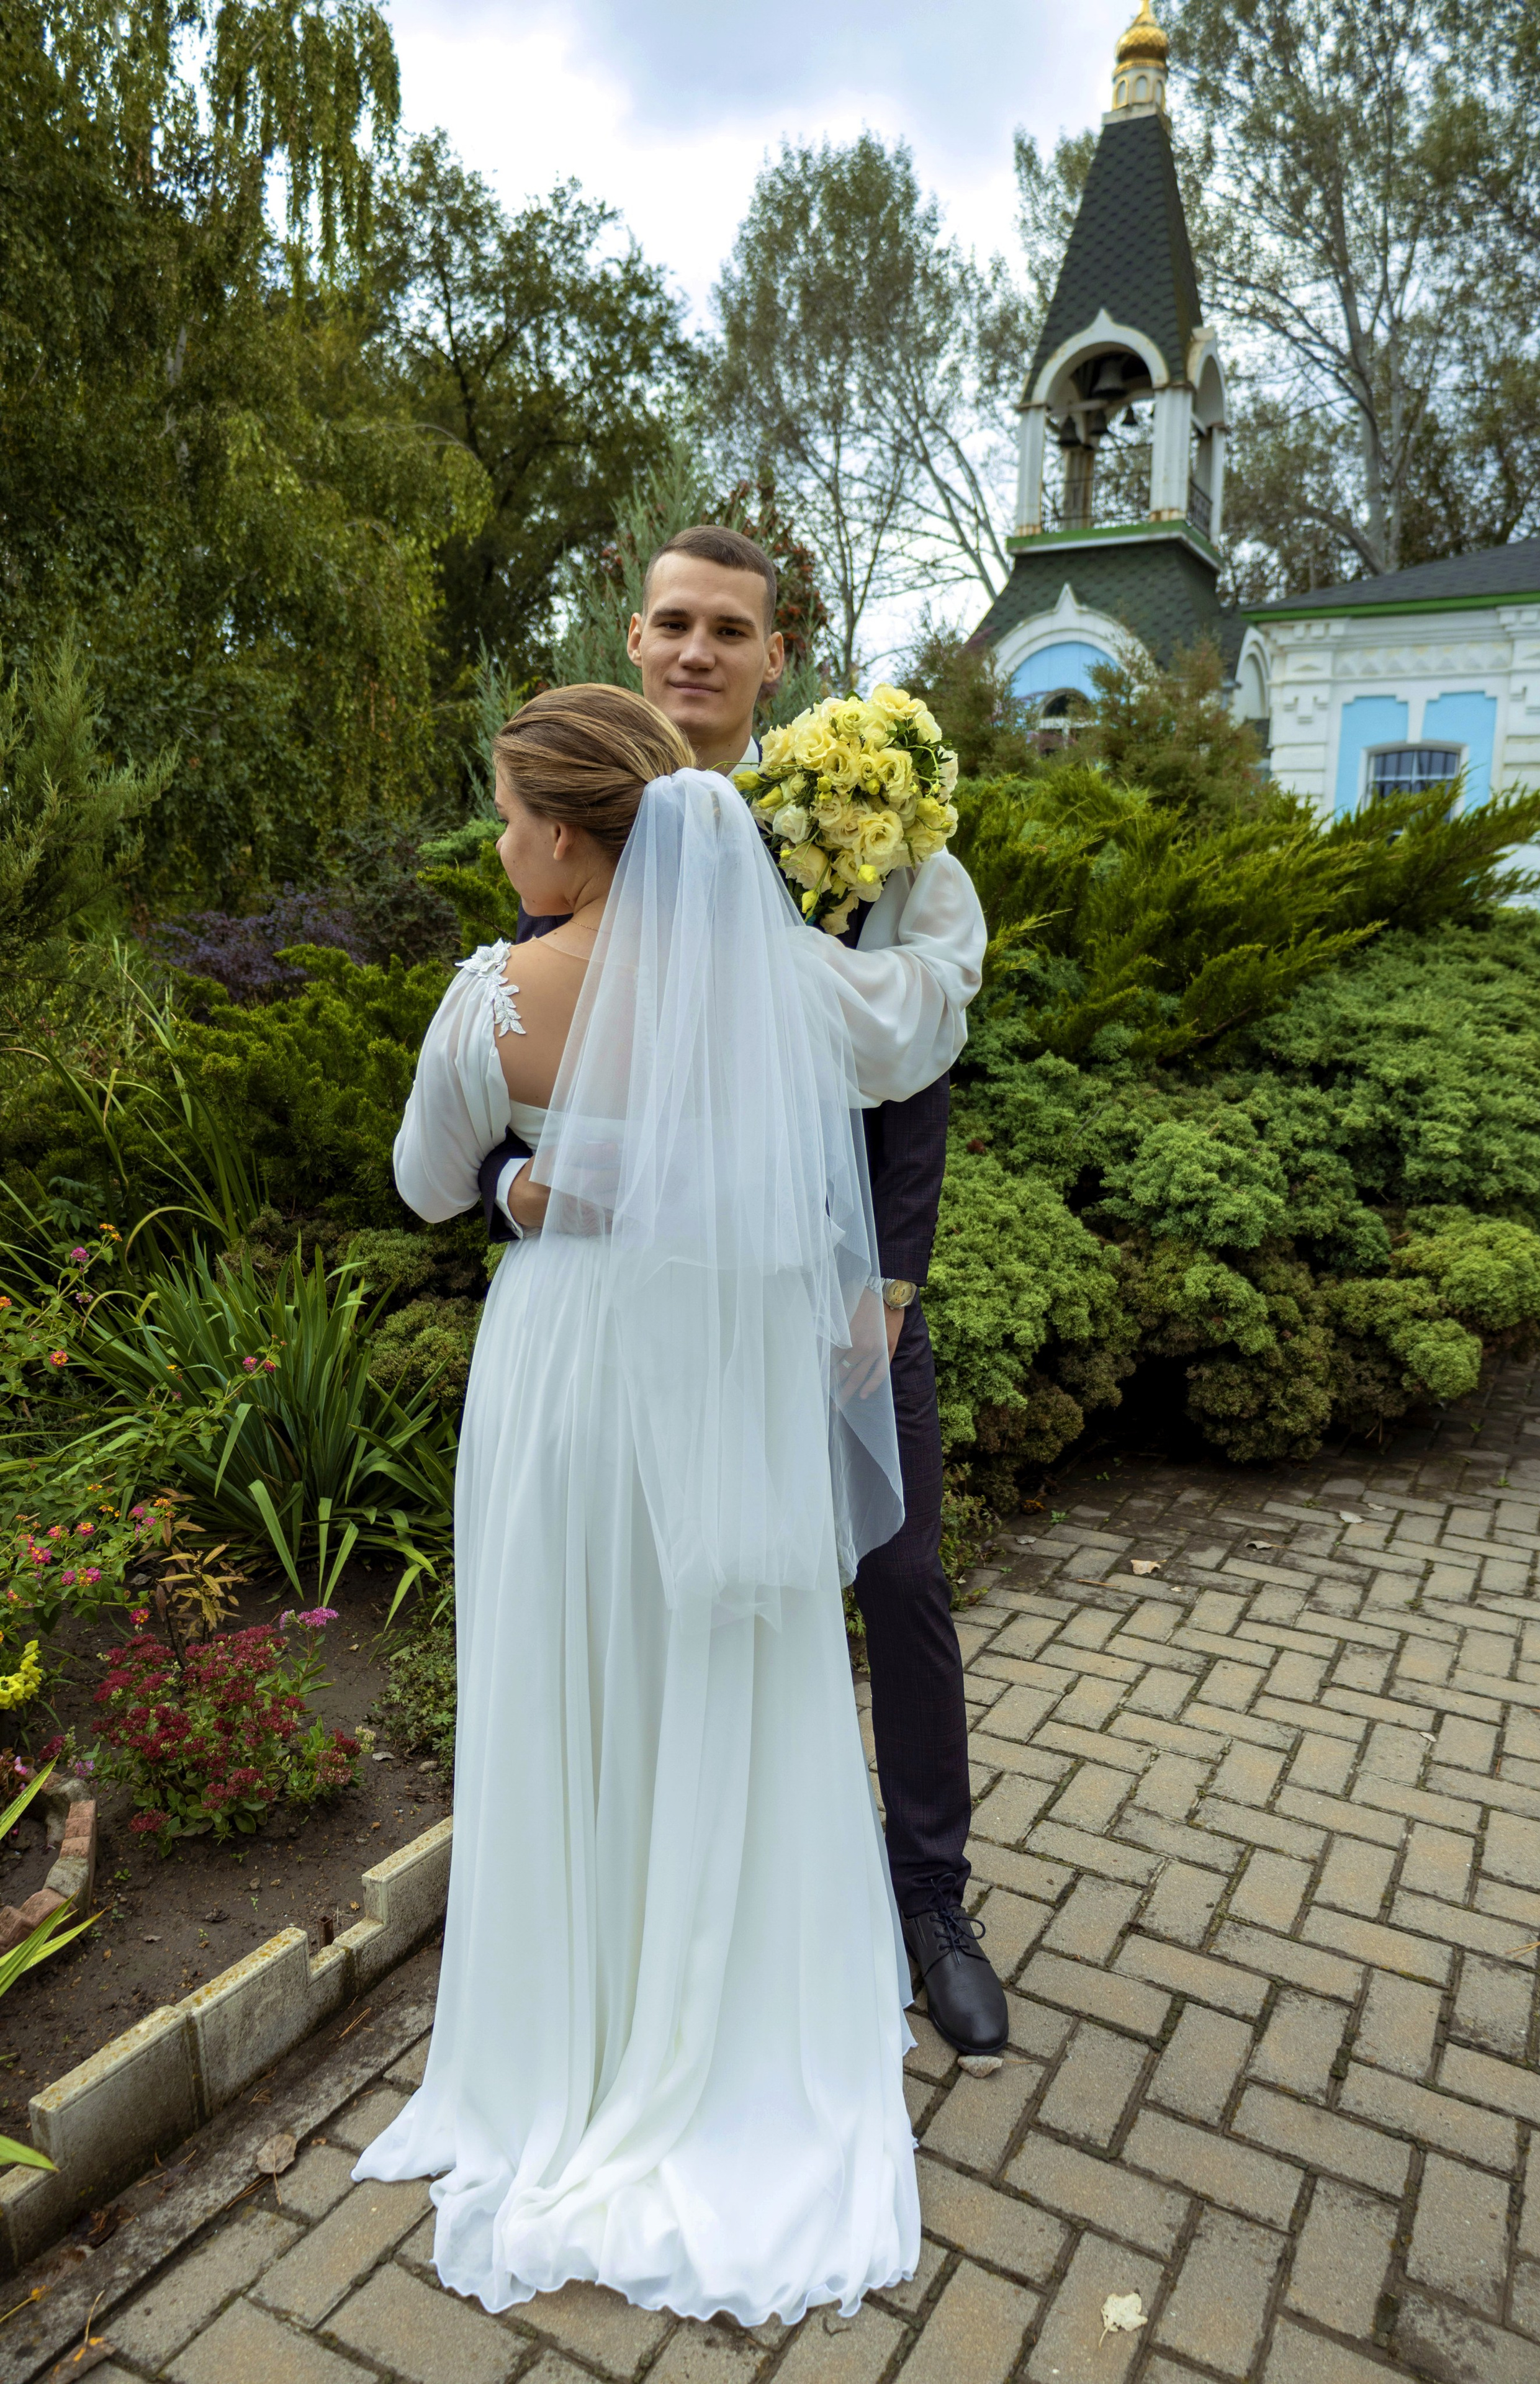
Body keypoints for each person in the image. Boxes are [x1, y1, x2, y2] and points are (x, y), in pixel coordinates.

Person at [356, 685, 919, 2320]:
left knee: (565, 1679)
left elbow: (421, 1177)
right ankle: (740, 2018)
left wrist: (527, 1179)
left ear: (572, 834)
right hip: (719, 1378)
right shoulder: (752, 988)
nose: (500, 839)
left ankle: (565, 2039)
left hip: (573, 1371)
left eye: (512, 815)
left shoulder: (500, 995)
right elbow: (796, 1193)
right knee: (716, 1685)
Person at [475, 526, 1007, 2059]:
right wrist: (512, 1203)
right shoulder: (570, 824)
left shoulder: (859, 822)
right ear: (634, 643)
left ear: (780, 658)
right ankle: (677, 1911)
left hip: (837, 1291)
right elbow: (518, 1084)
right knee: (686, 1598)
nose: (696, 650)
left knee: (895, 1574)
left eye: (730, 629)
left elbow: (921, 1078)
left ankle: (927, 1900)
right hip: (651, 1318)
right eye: (671, 624)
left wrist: (891, 1279)